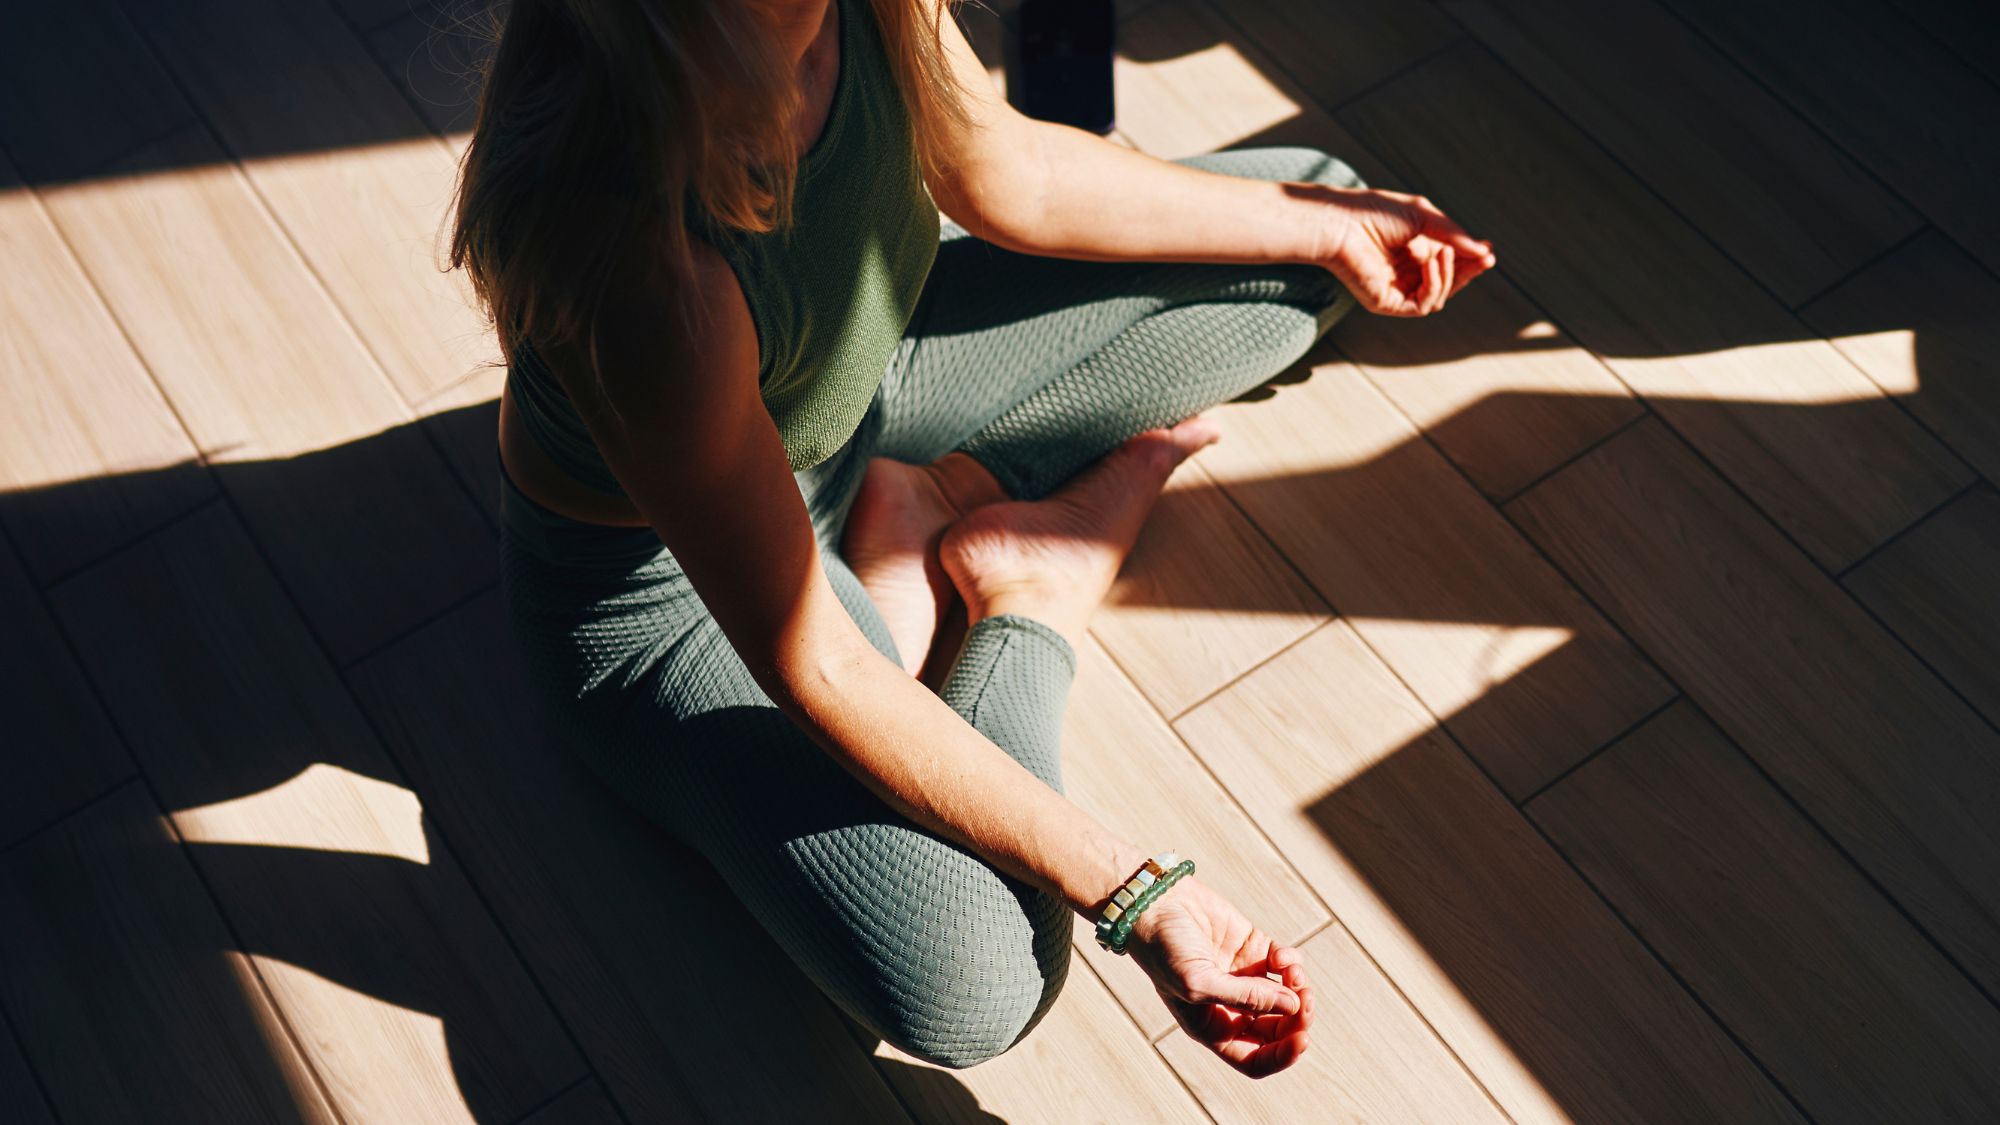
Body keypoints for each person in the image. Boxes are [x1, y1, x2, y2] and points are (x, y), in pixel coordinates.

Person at [451, 0, 1494, 1078]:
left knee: (1319, 225)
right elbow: (817, 662)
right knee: (978, 982)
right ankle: (1029, 597)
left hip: (852, 390)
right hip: (677, 606)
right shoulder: (632, 255)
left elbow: (1017, 181)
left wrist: (1321, 219)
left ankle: (934, 498)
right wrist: (1140, 893)